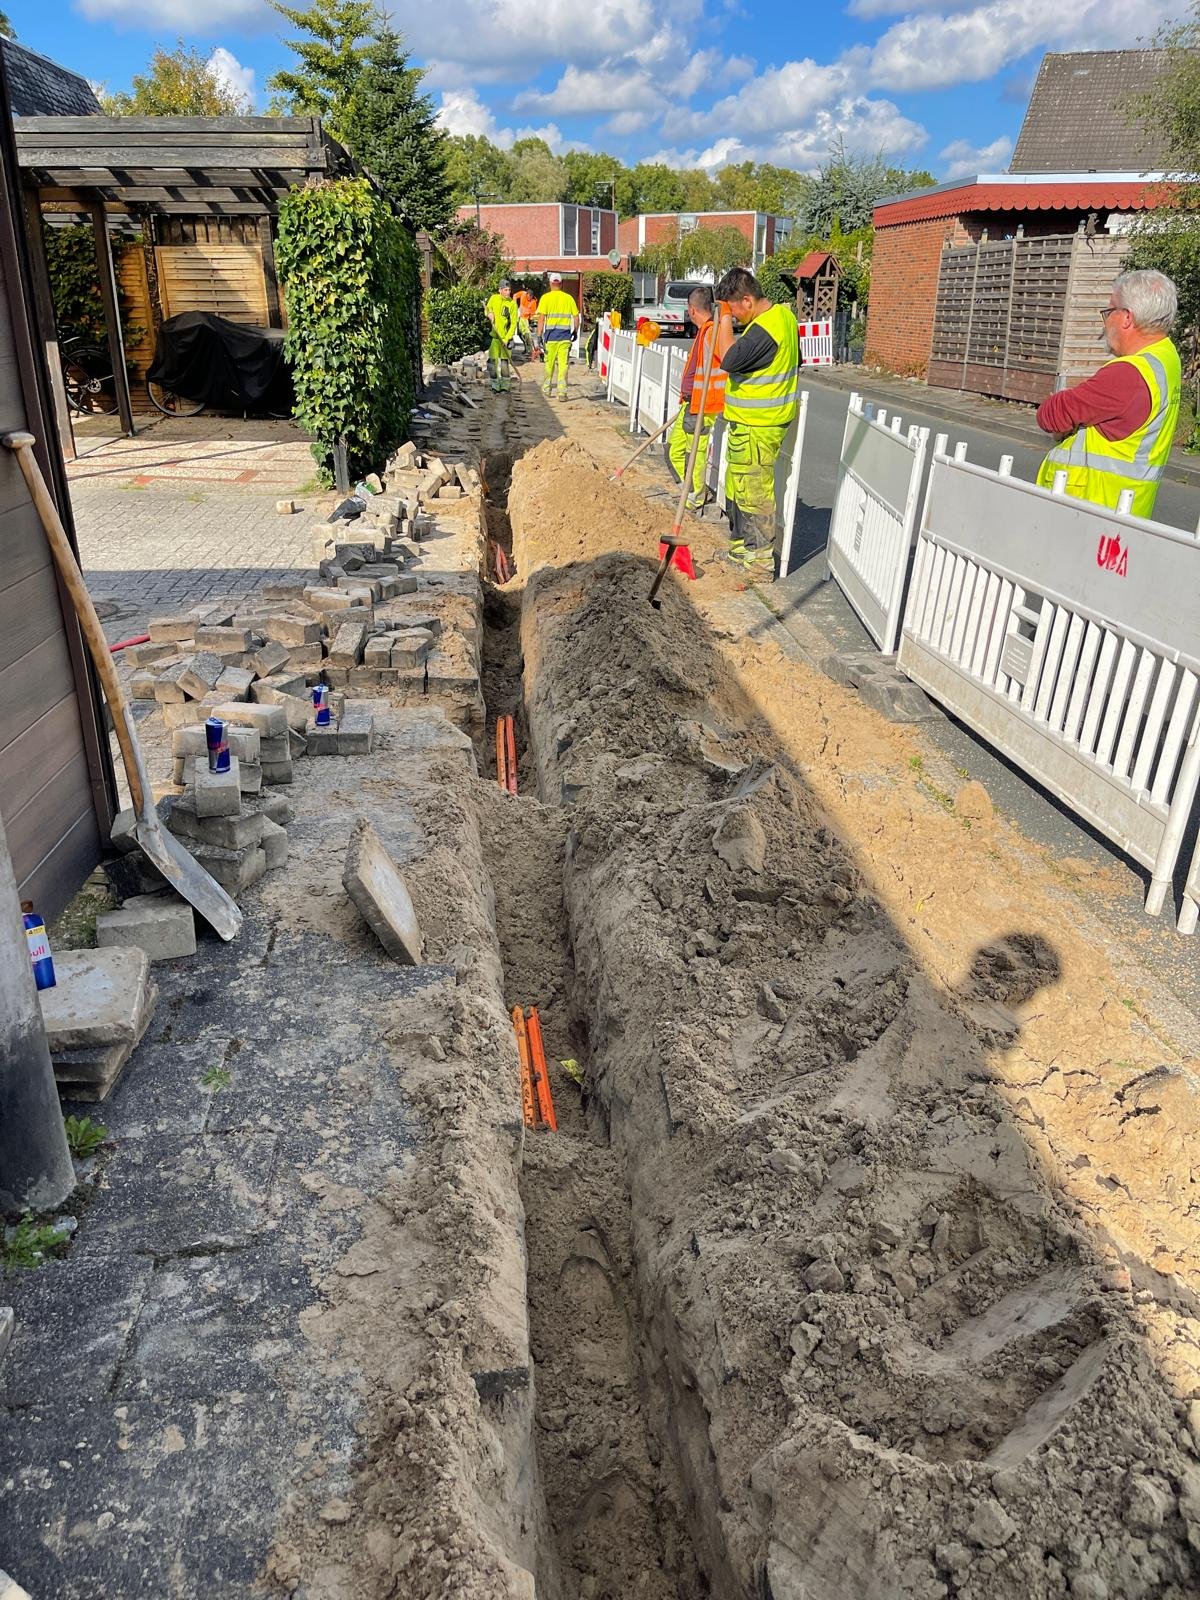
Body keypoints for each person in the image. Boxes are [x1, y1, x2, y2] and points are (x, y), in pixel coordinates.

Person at [1036, 269, 1180, 519]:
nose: (1106, 321)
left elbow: (1050, 416)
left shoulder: (1127, 375)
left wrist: (1063, 408)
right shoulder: (1167, 358)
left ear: (1126, 318)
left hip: (1085, 511)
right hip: (1124, 511)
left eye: (1109, 311)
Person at [714, 266, 801, 571]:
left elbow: (729, 358)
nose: (734, 317)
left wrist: (722, 319)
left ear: (747, 300)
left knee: (755, 494)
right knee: (740, 488)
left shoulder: (769, 327)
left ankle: (760, 563)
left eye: (734, 309)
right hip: (752, 424)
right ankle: (743, 549)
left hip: (760, 425)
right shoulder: (782, 319)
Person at [666, 286, 725, 512]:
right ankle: (691, 488)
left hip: (703, 403)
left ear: (692, 309)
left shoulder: (712, 332)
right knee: (676, 449)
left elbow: (719, 366)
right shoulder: (703, 331)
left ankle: (696, 495)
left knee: (696, 453)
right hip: (691, 402)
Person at [536, 272, 580, 400]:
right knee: (563, 365)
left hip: (550, 338)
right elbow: (576, 317)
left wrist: (539, 336)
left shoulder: (545, 298)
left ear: (550, 283)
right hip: (565, 337)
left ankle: (547, 389)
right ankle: (562, 393)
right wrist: (575, 331)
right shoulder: (568, 298)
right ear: (561, 284)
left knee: (549, 364)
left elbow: (541, 319)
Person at [484, 279, 519, 393]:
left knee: (504, 363)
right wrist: (489, 313)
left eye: (509, 290)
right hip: (494, 338)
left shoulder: (512, 304)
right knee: (492, 363)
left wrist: (507, 338)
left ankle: (505, 386)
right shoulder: (494, 298)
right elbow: (487, 309)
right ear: (500, 290)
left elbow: (514, 323)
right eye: (505, 290)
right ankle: (495, 385)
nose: (508, 292)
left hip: (505, 339)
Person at [514, 285, 539, 360]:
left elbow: (532, 314)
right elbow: (515, 296)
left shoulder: (533, 302)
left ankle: (530, 351)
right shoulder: (523, 293)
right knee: (519, 334)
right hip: (519, 316)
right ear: (527, 294)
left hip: (525, 320)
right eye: (528, 296)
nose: (529, 298)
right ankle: (526, 348)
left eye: (531, 297)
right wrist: (515, 305)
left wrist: (531, 321)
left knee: (527, 335)